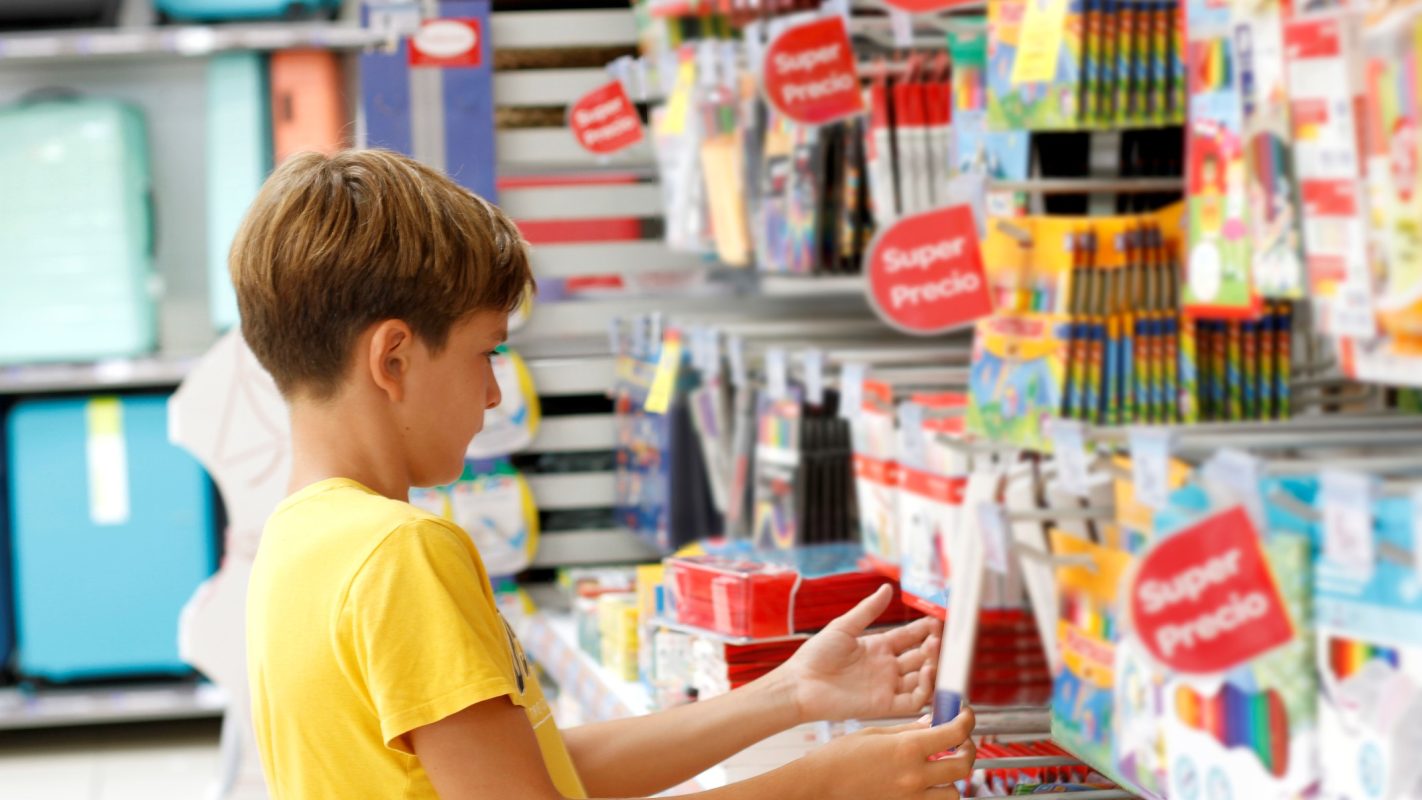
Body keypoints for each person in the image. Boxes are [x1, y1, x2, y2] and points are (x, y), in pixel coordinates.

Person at [235, 148, 978, 800]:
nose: (493, 394)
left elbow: (540, 767)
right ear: (393, 359)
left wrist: (791, 692)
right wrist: (825, 784)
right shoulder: (402, 554)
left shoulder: (299, 543)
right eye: (486, 353)